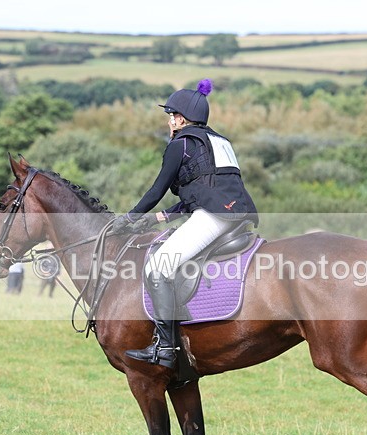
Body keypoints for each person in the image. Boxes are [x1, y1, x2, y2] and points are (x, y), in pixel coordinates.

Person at [111, 79, 258, 369]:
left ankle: (166, 348)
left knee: (158, 267)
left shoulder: (181, 144)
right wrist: (160, 217)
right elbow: (206, 190)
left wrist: (130, 217)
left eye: (171, 115)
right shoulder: (220, 142)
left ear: (180, 118)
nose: (169, 121)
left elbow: (156, 190)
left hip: (214, 218)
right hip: (237, 215)